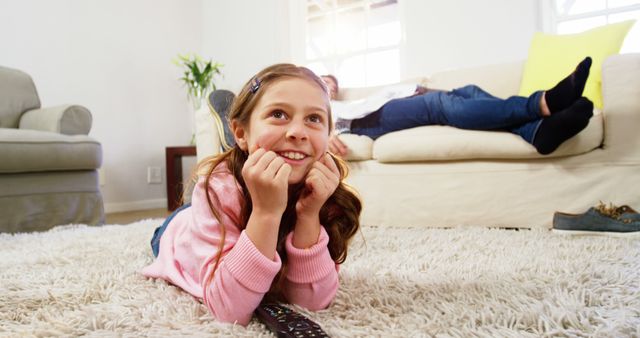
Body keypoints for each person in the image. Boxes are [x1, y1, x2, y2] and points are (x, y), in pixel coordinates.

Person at [142, 64, 362, 326]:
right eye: (279, 114)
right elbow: (230, 312)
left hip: (229, 204)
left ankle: (250, 144)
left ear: (329, 135)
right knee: (184, 216)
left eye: (314, 119)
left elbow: (312, 303)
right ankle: (202, 194)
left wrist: (309, 214)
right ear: (241, 132)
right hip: (179, 233)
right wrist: (266, 212)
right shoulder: (219, 190)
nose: (298, 132)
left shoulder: (324, 189)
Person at [323, 57, 594, 156]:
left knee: (470, 92)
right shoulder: (313, 109)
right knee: (439, 105)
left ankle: (536, 132)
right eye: (324, 83)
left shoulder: (340, 102)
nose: (331, 88)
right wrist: (326, 135)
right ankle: (543, 103)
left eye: (333, 85)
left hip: (399, 99)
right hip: (367, 122)